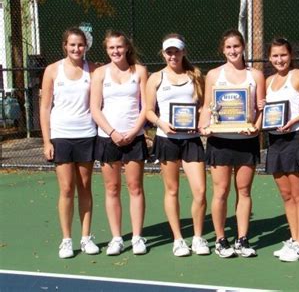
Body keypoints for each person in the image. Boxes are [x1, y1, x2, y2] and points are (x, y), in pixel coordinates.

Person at [198, 29, 265, 258]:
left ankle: (242, 239)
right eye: (228, 47)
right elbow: (208, 106)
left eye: (236, 46)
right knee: (221, 191)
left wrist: (256, 127)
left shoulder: (255, 75)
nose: (233, 51)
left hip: (246, 142)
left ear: (243, 47)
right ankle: (220, 239)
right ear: (223, 50)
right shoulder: (214, 75)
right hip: (220, 142)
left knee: (244, 190)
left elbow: (261, 108)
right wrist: (203, 127)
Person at [145, 34, 209, 257]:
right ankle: (178, 239)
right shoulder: (155, 78)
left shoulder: (196, 76)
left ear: (184, 52)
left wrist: (200, 122)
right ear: (163, 54)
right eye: (169, 52)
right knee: (172, 190)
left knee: (200, 191)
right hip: (166, 140)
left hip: (191, 141)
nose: (173, 55)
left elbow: (203, 106)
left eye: (177, 51)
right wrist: (161, 122)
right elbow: (148, 110)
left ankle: (199, 238)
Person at [40, 27, 99, 259]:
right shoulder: (52, 70)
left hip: (86, 134)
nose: (76, 49)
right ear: (65, 45)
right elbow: (45, 107)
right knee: (66, 189)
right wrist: (47, 141)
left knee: (85, 187)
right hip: (61, 136)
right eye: (72, 45)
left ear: (86, 46)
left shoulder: (93, 70)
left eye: (81, 45)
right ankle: (67, 240)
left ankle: (86, 238)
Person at [90, 30, 149, 256]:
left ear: (127, 48)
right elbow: (95, 108)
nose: (115, 51)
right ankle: (117, 238)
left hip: (135, 138)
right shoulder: (100, 74)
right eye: (111, 48)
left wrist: (134, 132)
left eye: (119, 47)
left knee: (135, 187)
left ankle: (137, 237)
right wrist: (112, 132)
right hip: (108, 139)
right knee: (112, 188)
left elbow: (146, 106)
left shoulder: (140, 71)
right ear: (107, 50)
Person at [263, 38, 299, 262]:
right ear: (269, 58)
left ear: (290, 55)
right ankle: (294, 238)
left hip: (295, 139)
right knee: (286, 195)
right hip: (275, 141)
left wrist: (296, 119)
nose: (279, 60)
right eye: (275, 56)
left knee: (298, 194)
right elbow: (266, 111)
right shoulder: (267, 81)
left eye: (283, 55)